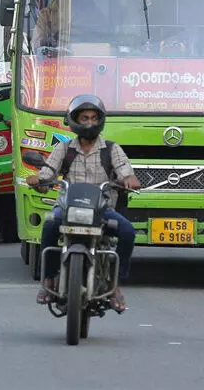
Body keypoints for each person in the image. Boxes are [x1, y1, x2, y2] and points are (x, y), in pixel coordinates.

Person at [25, 94, 141, 313]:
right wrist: (38, 181)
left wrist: (129, 179)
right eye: (85, 117)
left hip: (101, 210)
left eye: (94, 118)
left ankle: (116, 284)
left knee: (128, 231)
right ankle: (48, 280)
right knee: (49, 225)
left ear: (101, 121)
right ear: (74, 120)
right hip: (68, 209)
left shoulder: (111, 149)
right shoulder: (64, 149)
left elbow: (124, 169)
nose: (89, 122)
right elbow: (47, 174)